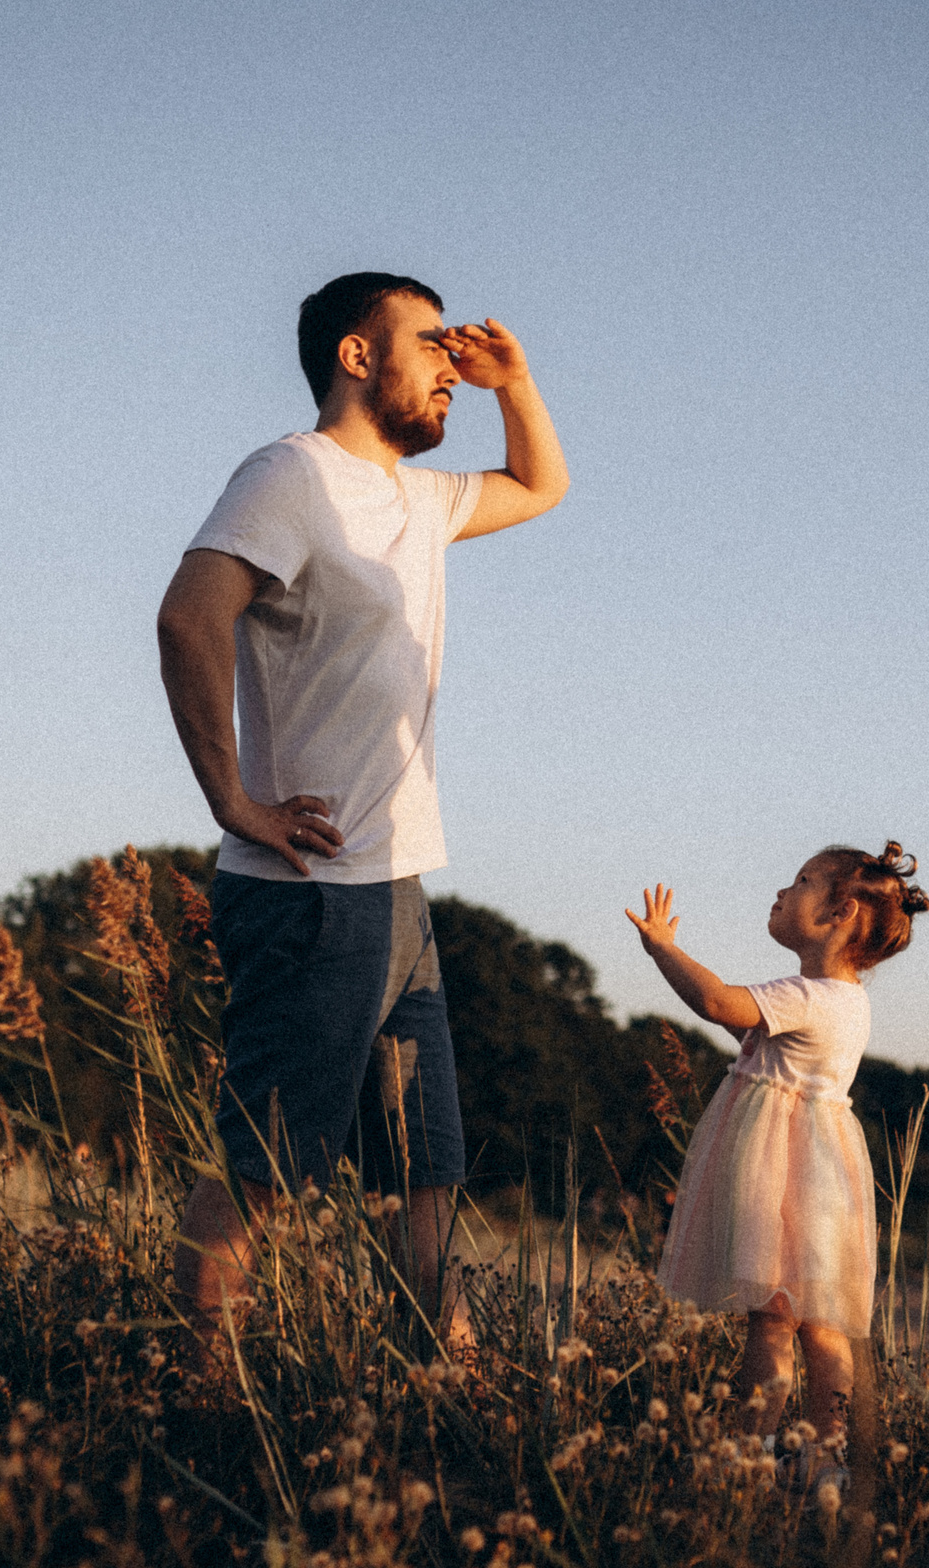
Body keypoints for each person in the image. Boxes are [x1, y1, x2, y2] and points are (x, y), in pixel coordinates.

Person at [158, 272, 569, 1339]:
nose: (448, 364)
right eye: (428, 343)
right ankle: (196, 1403)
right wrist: (234, 800)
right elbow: (187, 617)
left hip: (396, 891)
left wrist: (512, 383)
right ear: (355, 356)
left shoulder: (422, 502)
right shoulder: (290, 476)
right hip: (311, 894)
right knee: (265, 1171)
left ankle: (443, 1386)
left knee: (424, 1171)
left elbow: (540, 485)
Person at [628, 845, 929, 1486]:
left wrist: (662, 948)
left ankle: (747, 1456)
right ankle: (825, 1459)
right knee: (824, 1326)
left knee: (771, 1321)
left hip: (783, 1172)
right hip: (827, 1175)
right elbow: (756, 1038)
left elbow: (716, 1002)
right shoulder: (846, 1002)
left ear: (840, 912)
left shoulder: (808, 996)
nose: (781, 890)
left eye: (800, 881)